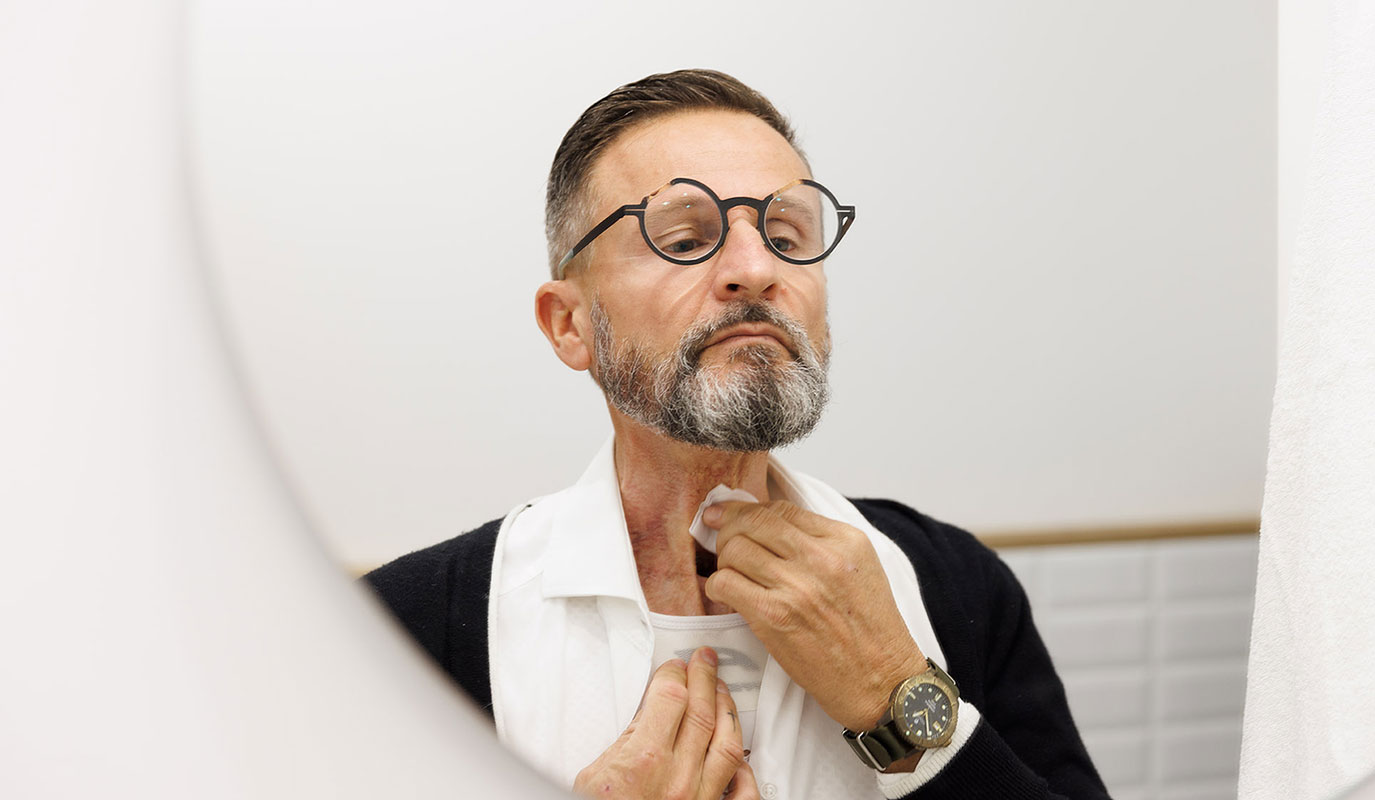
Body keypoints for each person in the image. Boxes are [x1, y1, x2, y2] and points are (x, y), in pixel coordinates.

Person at [365, 69, 1109, 799]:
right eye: (686, 239)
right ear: (569, 324)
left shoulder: (958, 586)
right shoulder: (405, 632)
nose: (756, 270)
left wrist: (901, 703)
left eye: (787, 235)